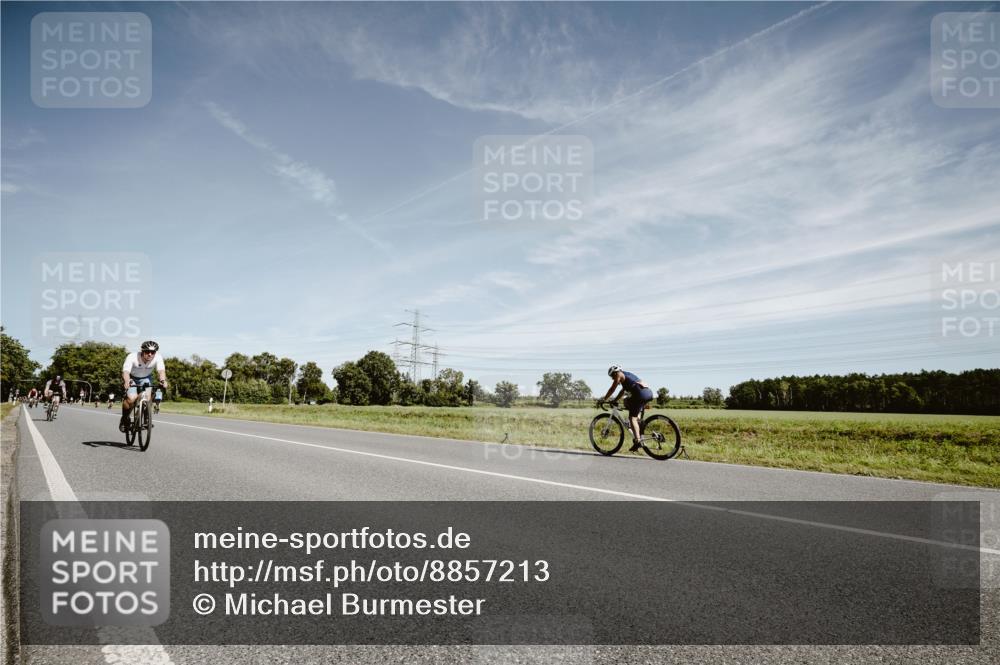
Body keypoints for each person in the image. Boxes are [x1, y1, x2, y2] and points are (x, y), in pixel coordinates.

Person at [601, 365, 654, 451]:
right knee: (628, 402)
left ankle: (638, 441)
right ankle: (637, 423)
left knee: (632, 417)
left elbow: (612, 388)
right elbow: (622, 391)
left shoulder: (619, 374)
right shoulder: (627, 376)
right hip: (648, 393)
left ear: (615, 373)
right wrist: (614, 400)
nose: (612, 378)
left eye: (612, 376)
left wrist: (604, 399)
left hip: (640, 394)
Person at [119, 340, 168, 431]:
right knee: (131, 399)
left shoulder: (158, 357)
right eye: (147, 352)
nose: (150, 354)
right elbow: (126, 372)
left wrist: (162, 380)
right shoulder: (132, 357)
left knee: (147, 397)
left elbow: (161, 371)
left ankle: (146, 419)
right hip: (131, 378)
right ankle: (125, 419)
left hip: (146, 378)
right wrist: (126, 381)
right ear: (142, 351)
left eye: (152, 352)